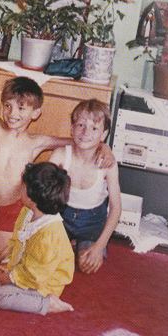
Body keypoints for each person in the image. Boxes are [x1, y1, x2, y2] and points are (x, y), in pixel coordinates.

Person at [0, 75, 95, 266]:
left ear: (35, 113)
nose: (12, 112)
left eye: (21, 108)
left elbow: (77, 142)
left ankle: (13, 239)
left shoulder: (36, 142)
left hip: (12, 212)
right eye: (8, 105)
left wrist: (102, 146)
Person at [0, 160, 76, 315]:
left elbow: (37, 274)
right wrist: (7, 265)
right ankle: (16, 291)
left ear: (33, 198)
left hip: (43, 282)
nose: (19, 188)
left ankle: (48, 304)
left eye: (23, 186)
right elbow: (17, 244)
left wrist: (11, 278)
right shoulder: (27, 212)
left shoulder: (49, 236)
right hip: (24, 270)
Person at [44, 98, 123, 273]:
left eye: (94, 128)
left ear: (103, 134)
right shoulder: (60, 155)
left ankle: (79, 244)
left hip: (93, 222)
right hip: (62, 216)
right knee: (49, 259)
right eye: (80, 125)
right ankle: (68, 243)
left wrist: (99, 246)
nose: (86, 132)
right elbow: (44, 196)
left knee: (86, 265)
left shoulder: (108, 164)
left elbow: (116, 208)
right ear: (71, 128)